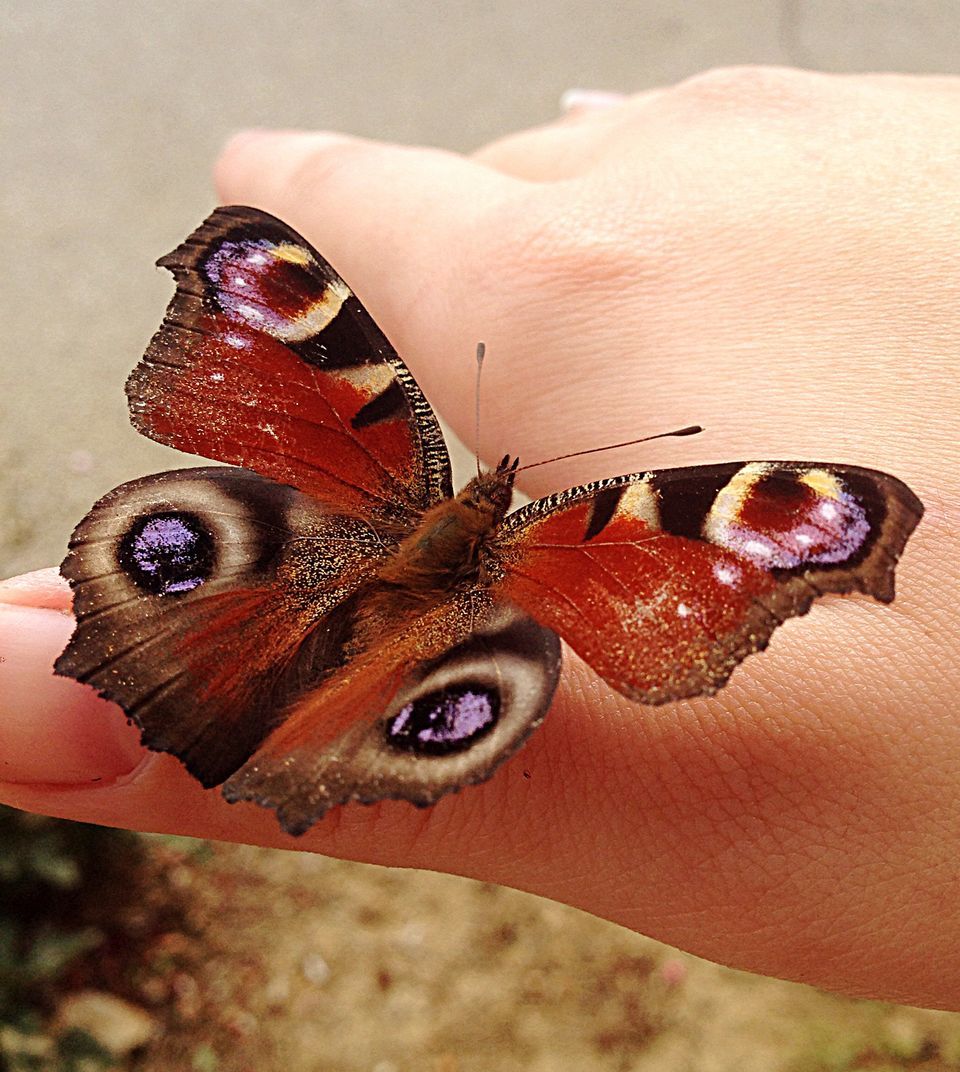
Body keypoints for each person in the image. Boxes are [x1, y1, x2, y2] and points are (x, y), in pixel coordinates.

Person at [1, 68, 955, 1008]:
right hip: (423, 633)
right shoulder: (580, 536)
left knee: (233, 540)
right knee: (267, 565)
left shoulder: (390, 446)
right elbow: (256, 270)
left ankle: (280, 698)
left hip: (327, 581)